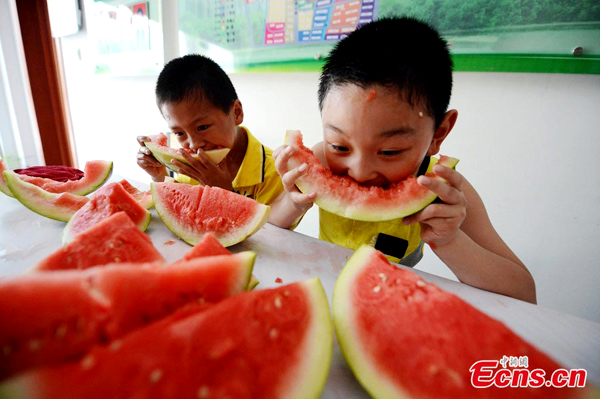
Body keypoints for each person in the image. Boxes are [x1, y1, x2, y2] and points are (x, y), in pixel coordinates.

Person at [269, 17, 536, 303]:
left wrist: (450, 240)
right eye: (340, 146)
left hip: (392, 296)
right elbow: (270, 230)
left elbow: (522, 290)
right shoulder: (319, 159)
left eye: (389, 152)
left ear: (439, 133)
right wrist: (291, 203)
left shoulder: (443, 190)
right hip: (327, 285)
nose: (360, 172)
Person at [136, 54, 283, 205]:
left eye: (202, 127)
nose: (193, 145)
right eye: (179, 133)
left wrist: (224, 193)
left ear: (236, 113)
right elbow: (180, 205)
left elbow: (263, 228)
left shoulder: (275, 172)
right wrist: (159, 175)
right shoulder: (193, 163)